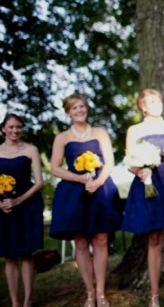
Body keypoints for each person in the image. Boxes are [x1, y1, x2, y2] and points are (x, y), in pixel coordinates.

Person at [49, 93, 123, 307]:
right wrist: (81, 178)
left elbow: (109, 161)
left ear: (86, 108)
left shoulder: (100, 132)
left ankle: (101, 292)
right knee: (81, 242)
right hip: (74, 192)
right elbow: (55, 167)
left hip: (100, 188)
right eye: (74, 108)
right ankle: (89, 293)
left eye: (81, 106)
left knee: (100, 240)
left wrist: (98, 181)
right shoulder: (62, 137)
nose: (79, 111)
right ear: (68, 112)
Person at [122, 88, 164, 307]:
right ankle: (154, 294)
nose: (156, 104)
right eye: (151, 101)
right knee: (154, 237)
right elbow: (130, 161)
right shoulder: (134, 130)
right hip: (148, 185)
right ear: (142, 107)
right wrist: (139, 171)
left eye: (158, 100)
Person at [0, 113, 44, 307]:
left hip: (27, 205)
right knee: (9, 256)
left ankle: (27, 301)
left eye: (18, 127)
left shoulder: (31, 149)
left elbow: (39, 182)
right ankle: (15, 303)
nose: (14, 130)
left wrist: (18, 201)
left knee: (26, 254)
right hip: (3, 208)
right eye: (10, 127)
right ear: (3, 129)